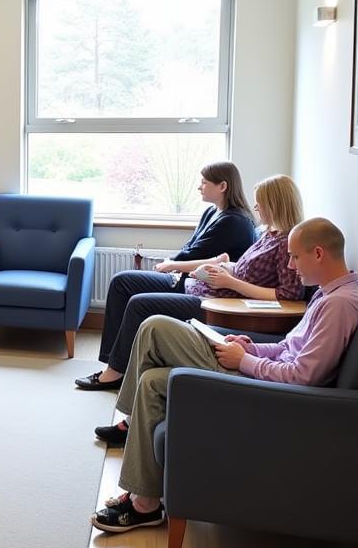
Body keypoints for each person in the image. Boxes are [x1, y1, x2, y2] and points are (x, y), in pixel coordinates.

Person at [90, 218, 358, 533]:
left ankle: (125, 419)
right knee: (153, 381)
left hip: (263, 390)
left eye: (294, 256)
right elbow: (290, 348)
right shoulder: (328, 294)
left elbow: (303, 376)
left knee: (154, 326)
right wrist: (253, 349)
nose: (290, 265)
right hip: (259, 374)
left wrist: (245, 361)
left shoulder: (341, 305)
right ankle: (146, 504)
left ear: (318, 253)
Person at [84, 174, 306, 444]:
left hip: (218, 304)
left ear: (276, 204)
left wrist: (229, 280)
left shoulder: (286, 243)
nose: (256, 208)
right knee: (126, 286)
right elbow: (250, 272)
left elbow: (288, 294)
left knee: (140, 305)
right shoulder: (267, 234)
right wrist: (226, 267)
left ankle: (122, 395)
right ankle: (117, 373)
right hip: (206, 288)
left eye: (261, 203)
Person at [76, 161, 258, 392]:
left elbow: (198, 255)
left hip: (205, 291)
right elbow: (192, 247)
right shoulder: (212, 212)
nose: (199, 187)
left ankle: (115, 371)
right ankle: (114, 363)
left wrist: (171, 264)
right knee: (122, 282)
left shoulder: (235, 222)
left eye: (204, 182)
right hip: (187, 279)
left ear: (222, 186)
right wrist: (172, 263)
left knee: (136, 301)